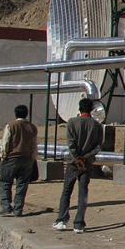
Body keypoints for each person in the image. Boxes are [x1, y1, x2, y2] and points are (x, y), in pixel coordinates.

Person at [53, 98, 103, 233]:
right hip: (87, 164)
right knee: (83, 194)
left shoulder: (72, 122)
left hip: (73, 163)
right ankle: (79, 223)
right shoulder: (97, 125)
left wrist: (76, 158)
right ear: (92, 109)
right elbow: (98, 146)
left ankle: (62, 220)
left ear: (79, 108)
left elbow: (71, 143)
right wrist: (85, 158)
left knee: (66, 192)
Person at [0, 105, 38, 217]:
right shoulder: (32, 127)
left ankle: (6, 207)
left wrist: (3, 156)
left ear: (15, 113)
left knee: (5, 182)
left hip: (11, 158)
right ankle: (18, 209)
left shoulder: (10, 126)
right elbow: (34, 145)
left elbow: (6, 142)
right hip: (26, 159)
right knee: (22, 185)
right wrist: (33, 158)